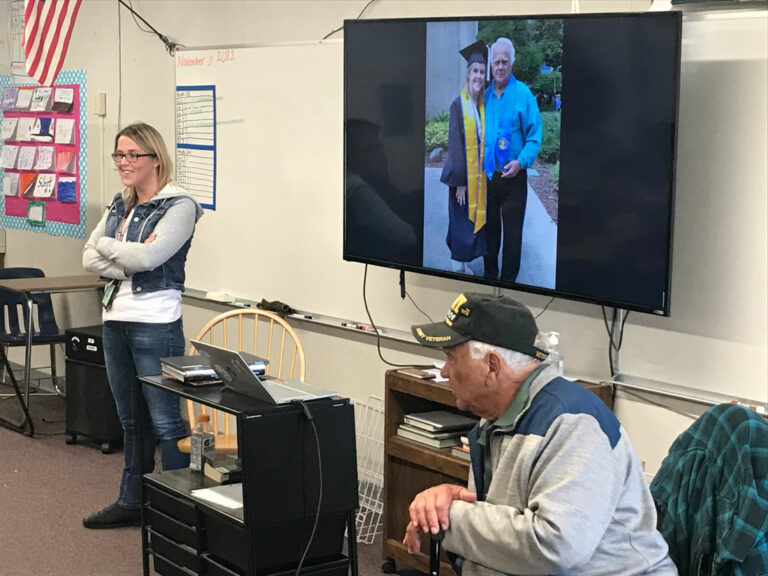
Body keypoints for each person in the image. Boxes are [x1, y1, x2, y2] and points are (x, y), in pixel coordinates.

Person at [405, 292, 677, 575]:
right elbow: (505, 530)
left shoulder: (573, 424)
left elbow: (556, 546)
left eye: (451, 357)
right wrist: (443, 505)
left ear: (492, 366)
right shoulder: (495, 421)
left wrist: (449, 517)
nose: (446, 371)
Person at [82, 122, 204, 529]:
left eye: (133, 155)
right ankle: (132, 502)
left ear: (155, 158)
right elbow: (89, 258)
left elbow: (148, 261)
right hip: (115, 322)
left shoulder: (179, 205)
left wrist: (112, 249)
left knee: (168, 423)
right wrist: (126, 253)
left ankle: (176, 513)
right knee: (131, 421)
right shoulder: (122, 203)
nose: (124, 163)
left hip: (156, 325)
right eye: (119, 155)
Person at [483, 38, 542, 283]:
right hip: (488, 177)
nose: (500, 66)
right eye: (496, 62)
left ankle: (508, 282)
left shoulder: (524, 94)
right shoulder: (484, 95)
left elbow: (535, 136)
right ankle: (488, 276)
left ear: (512, 63)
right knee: (490, 231)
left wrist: (521, 162)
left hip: (514, 178)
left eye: (504, 61)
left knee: (513, 234)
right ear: (491, 65)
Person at [439, 40, 488, 275]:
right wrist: (459, 181)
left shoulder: (481, 105)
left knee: (469, 222)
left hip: (477, 177)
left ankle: (463, 262)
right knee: (460, 221)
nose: (478, 75)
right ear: (468, 74)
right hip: (462, 177)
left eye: (481, 71)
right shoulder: (458, 105)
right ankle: (456, 263)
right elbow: (455, 144)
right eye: (475, 71)